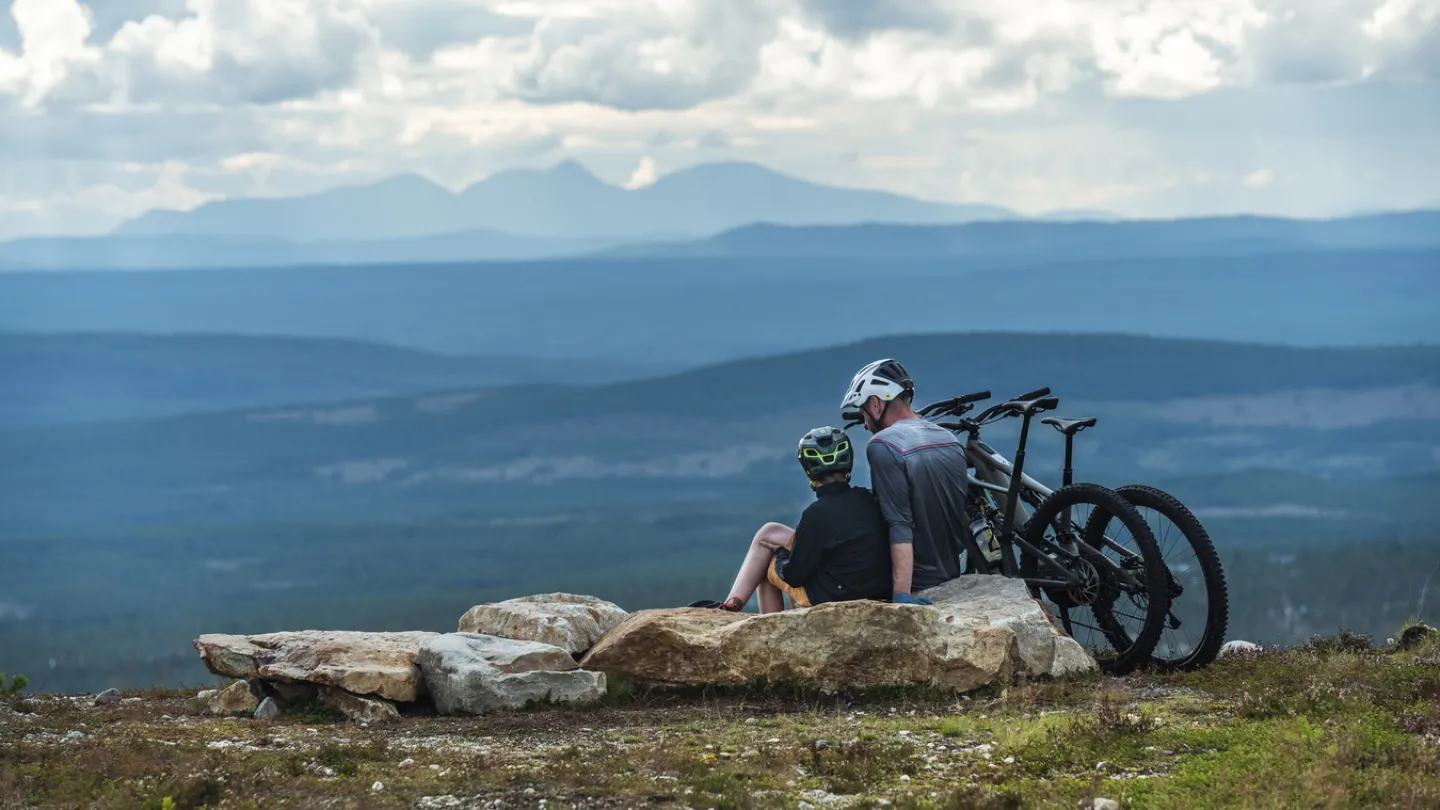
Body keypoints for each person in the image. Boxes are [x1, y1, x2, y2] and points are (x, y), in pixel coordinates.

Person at [707, 426, 892, 613]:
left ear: (809, 470)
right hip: (872, 587)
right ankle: (732, 602)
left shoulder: (816, 515)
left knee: (766, 564)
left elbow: (794, 576)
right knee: (769, 532)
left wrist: (782, 558)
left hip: (836, 595)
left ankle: (750, 617)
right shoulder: (867, 499)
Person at [841, 358, 973, 605]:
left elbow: (899, 522)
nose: (866, 424)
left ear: (875, 403)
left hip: (918, 581)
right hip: (951, 572)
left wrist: (901, 593)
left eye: (863, 412)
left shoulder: (883, 445)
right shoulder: (948, 438)